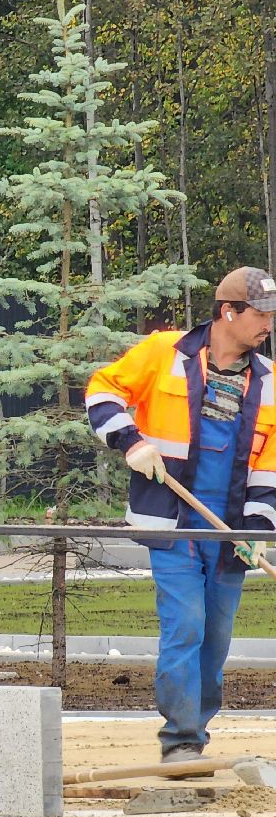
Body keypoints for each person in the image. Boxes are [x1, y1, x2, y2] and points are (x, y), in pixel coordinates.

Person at [87, 266, 276, 770]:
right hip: (172, 521)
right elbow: (102, 392)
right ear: (228, 312)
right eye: (261, 315)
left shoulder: (269, 382)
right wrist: (132, 443)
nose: (268, 326)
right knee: (186, 626)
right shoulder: (163, 353)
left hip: (230, 532)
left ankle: (198, 730)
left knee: (216, 638)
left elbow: (268, 469)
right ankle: (181, 740)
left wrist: (256, 532)